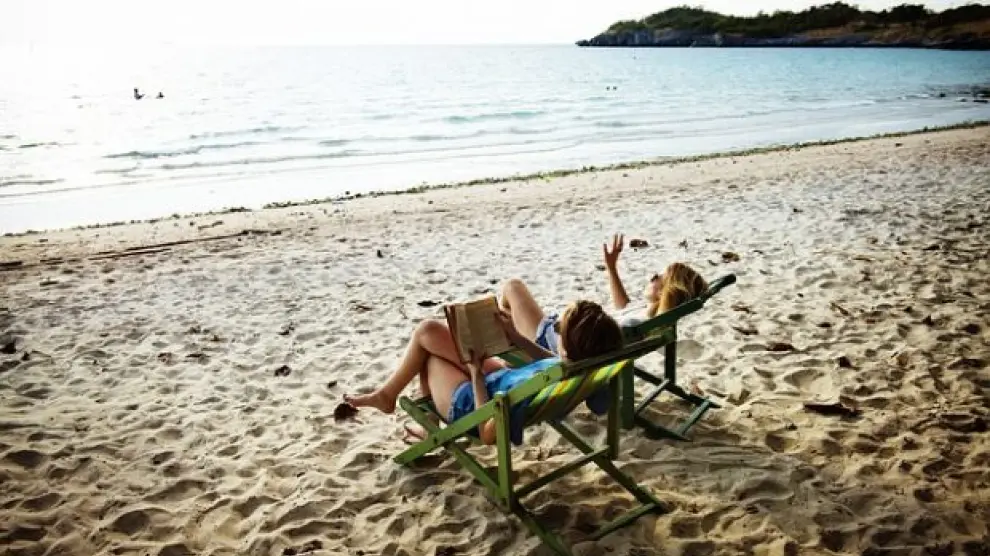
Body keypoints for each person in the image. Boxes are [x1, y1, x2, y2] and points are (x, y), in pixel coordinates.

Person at [344, 300, 623, 445]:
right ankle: (391, 398)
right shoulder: (586, 369)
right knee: (429, 331)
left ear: (569, 348)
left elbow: (487, 433)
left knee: (428, 351)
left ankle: (397, 403)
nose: (557, 331)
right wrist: (515, 336)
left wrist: (476, 376)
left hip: (470, 403)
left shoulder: (552, 378)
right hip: (500, 382)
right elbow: (553, 365)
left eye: (560, 329)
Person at [500, 233, 709, 357]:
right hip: (562, 335)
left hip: (551, 341)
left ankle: (513, 345)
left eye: (658, 277)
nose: (651, 277)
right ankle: (509, 342)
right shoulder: (648, 321)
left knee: (513, 287)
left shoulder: (634, 325)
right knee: (507, 315)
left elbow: (581, 346)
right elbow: (623, 308)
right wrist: (612, 268)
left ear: (665, 293)